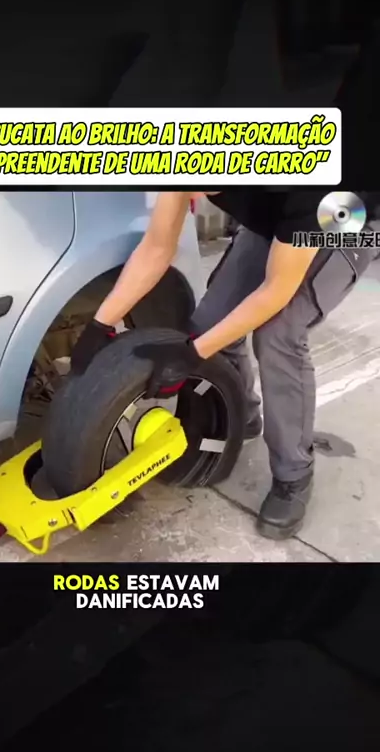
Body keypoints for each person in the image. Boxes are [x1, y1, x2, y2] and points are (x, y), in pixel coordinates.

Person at [70, 189, 380, 540]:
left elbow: (276, 291)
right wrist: (99, 325)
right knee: (208, 327)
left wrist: (192, 354)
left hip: (343, 220)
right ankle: (242, 414)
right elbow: (156, 248)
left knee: (278, 336)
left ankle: (294, 475)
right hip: (274, 224)